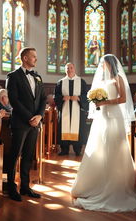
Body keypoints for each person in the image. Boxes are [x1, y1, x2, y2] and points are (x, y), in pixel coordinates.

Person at [71, 54, 136, 212]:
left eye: (103, 63)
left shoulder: (118, 78)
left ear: (109, 63)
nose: (101, 66)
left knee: (114, 149)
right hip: (102, 116)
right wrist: (97, 103)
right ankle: (97, 183)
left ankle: (114, 185)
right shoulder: (102, 81)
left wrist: (105, 102)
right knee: (99, 148)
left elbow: (123, 98)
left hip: (114, 116)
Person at [6, 47, 46, 201]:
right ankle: (11, 187)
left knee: (28, 156)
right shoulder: (13, 76)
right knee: (15, 155)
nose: (36, 59)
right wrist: (30, 117)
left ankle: (25, 186)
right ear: (24, 58)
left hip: (34, 123)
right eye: (33, 56)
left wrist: (39, 116)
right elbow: (14, 100)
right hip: (20, 122)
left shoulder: (37, 76)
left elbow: (42, 99)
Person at [54, 63, 88, 156]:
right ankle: (64, 149)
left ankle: (78, 149)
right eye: (67, 68)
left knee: (79, 128)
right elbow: (56, 96)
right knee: (64, 127)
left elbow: (86, 96)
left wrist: (79, 98)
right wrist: (62, 98)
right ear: (65, 70)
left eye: (71, 68)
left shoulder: (81, 82)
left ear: (74, 69)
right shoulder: (60, 82)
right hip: (65, 108)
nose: (69, 69)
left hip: (78, 110)